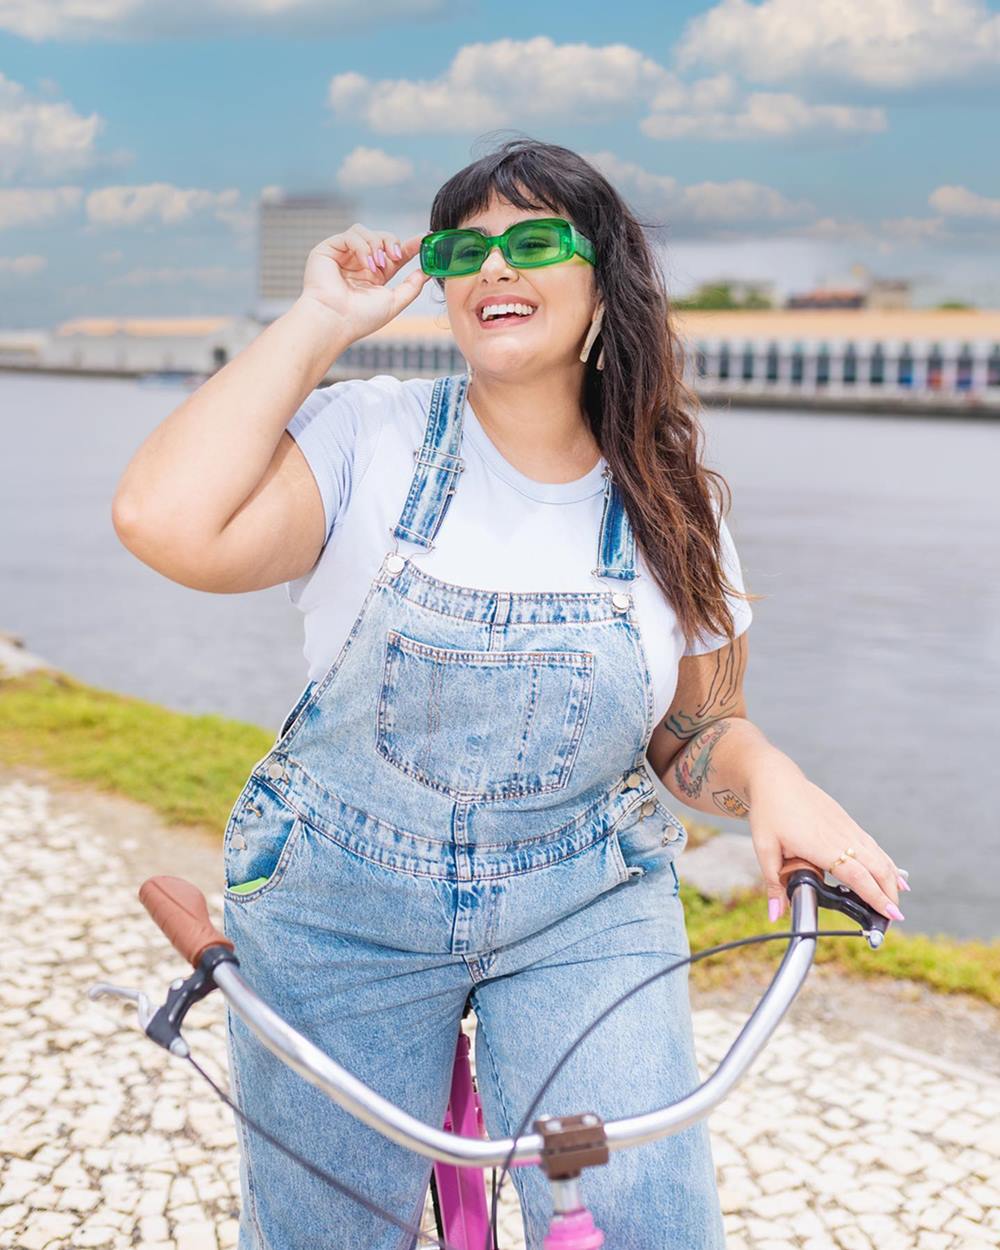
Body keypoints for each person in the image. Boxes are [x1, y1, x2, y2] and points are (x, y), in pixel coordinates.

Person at [112, 136, 908, 1250]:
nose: (494, 265)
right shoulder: (367, 439)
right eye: (463, 247)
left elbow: (691, 732)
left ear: (602, 286)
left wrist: (771, 778)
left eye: (533, 240)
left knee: (641, 1220)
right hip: (340, 908)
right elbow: (163, 520)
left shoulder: (675, 501)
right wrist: (322, 320)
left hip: (582, 902)